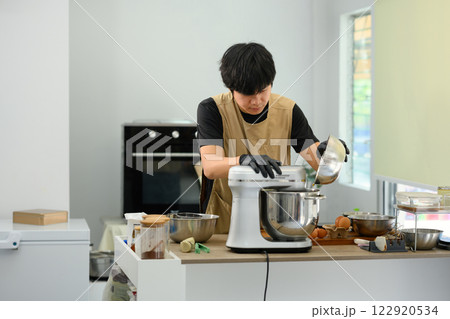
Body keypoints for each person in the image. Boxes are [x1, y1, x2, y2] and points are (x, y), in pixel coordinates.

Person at [197, 42, 349, 233]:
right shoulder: (212, 109)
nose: (257, 101)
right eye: (247, 94)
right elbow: (211, 167)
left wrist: (331, 153)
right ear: (231, 88)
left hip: (278, 218)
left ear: (271, 83)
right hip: (226, 219)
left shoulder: (288, 110)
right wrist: (243, 160)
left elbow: (320, 167)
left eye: (262, 90)